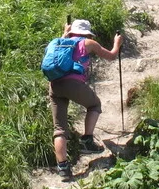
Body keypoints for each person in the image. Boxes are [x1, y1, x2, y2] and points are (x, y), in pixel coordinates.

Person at [48, 19, 122, 180]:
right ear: (87, 33)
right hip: (73, 84)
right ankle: (87, 140)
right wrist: (117, 43)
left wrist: (65, 32)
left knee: (59, 129)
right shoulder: (88, 42)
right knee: (95, 104)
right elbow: (111, 56)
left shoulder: (61, 41)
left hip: (54, 85)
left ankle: (63, 169)